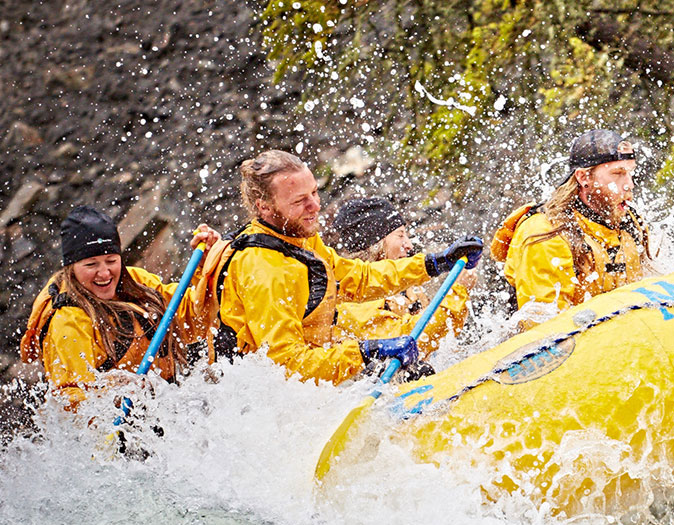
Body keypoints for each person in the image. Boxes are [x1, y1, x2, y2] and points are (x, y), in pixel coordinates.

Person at [196, 150, 482, 385]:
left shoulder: (298, 239)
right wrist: (368, 352)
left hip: (309, 380)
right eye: (300, 201)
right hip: (261, 398)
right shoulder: (265, 270)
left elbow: (357, 278)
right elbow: (285, 364)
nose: (315, 206)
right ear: (265, 207)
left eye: (314, 193)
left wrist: (435, 263)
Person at [19, 206, 219, 408]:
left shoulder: (137, 282)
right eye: (91, 264)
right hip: (122, 428)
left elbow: (196, 319)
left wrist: (207, 267)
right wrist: (113, 391)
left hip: (165, 406)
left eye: (111, 260)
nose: (104, 273)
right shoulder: (68, 323)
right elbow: (70, 400)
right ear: (71, 268)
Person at [490, 129, 655, 328]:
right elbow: (545, 334)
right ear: (584, 177)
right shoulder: (545, 234)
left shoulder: (630, 225)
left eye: (630, 173)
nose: (629, 185)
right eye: (618, 174)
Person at [329, 196, 476, 357]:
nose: (409, 245)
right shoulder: (352, 299)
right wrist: (458, 292)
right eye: (400, 236)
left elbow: (437, 343)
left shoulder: (407, 289)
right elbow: (408, 339)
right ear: (375, 245)